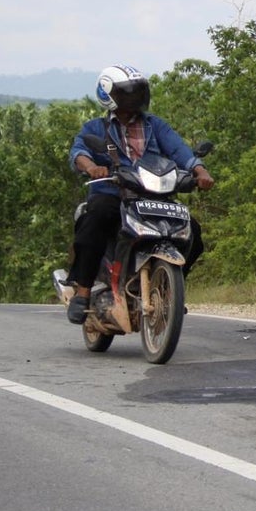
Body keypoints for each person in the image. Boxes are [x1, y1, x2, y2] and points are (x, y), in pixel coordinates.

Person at [65, 64, 214, 324]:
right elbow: (79, 153)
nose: (134, 98)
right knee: (96, 218)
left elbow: (180, 151)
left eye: (137, 92)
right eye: (126, 93)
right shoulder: (95, 128)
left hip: (153, 196)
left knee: (194, 233)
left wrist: (200, 172)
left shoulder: (155, 125)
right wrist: (92, 168)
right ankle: (83, 291)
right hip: (113, 192)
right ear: (108, 94)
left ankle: (169, 289)